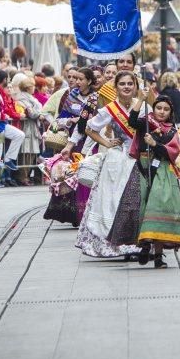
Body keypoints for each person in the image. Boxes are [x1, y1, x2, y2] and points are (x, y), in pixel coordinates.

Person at [75, 71, 142, 258]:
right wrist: (106, 142)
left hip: (138, 158)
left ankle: (135, 244)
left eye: (130, 83)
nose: (127, 87)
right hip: (117, 160)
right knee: (112, 201)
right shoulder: (110, 109)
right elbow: (89, 128)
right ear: (116, 87)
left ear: (135, 86)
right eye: (123, 84)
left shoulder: (143, 106)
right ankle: (114, 244)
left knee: (135, 202)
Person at [129, 93, 180, 268]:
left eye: (166, 109)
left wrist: (154, 144)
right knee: (143, 208)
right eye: (159, 108)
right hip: (143, 168)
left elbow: (172, 152)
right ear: (153, 108)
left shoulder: (172, 131)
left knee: (158, 207)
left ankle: (158, 255)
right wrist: (141, 99)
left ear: (170, 112)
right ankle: (145, 244)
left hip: (162, 172)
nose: (161, 112)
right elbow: (131, 121)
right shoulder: (145, 123)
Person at [43, 68, 99, 226]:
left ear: (89, 81)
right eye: (75, 78)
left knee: (86, 176)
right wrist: (70, 121)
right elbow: (60, 119)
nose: (77, 82)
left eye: (81, 79)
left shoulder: (96, 98)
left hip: (91, 142)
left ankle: (85, 213)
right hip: (74, 140)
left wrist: (81, 121)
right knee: (71, 175)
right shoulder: (72, 95)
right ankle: (71, 215)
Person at [0, 70, 25, 175]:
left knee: (19, 135)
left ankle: (8, 159)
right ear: (5, 79)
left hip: (2, 125)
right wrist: (5, 115)